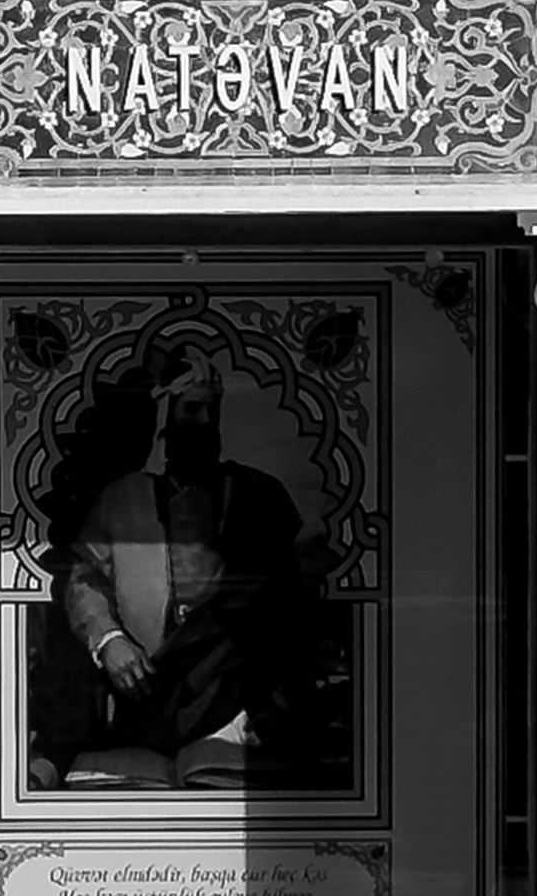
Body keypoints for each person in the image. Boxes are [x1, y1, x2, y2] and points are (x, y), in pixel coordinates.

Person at [45, 326, 329, 784]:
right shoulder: (121, 497)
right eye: (190, 408)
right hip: (143, 687)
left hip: (232, 694)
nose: (202, 421)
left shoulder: (257, 495)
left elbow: (283, 602)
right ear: (165, 416)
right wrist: (109, 640)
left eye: (211, 411)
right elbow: (84, 581)